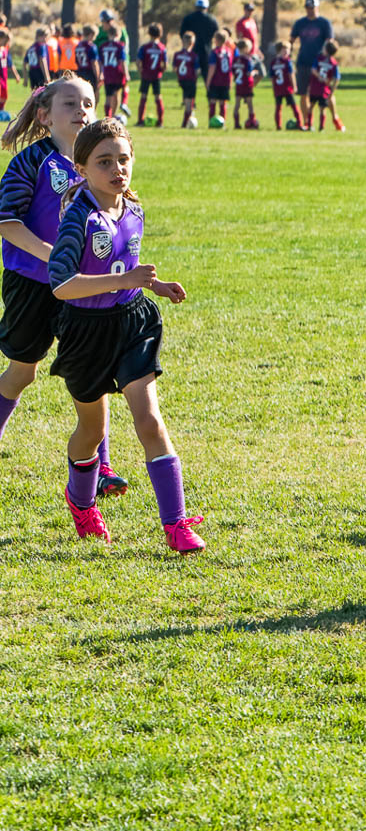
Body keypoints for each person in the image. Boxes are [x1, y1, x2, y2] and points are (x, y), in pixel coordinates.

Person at [48, 116, 202, 552]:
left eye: (123, 159)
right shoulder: (79, 217)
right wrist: (125, 279)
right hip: (85, 332)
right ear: (81, 169)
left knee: (150, 420)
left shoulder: (133, 208)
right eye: (104, 162)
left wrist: (153, 284)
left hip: (132, 322)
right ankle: (81, 502)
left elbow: (122, 268)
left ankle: (176, 524)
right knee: (91, 432)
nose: (117, 169)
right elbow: (62, 285)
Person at [0, 74, 119, 493]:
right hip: (31, 283)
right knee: (21, 373)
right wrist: (52, 255)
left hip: (80, 287)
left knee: (89, 374)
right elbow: (7, 223)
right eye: (70, 104)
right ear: (45, 115)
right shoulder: (31, 162)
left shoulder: (100, 165)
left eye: (88, 103)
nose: (82, 112)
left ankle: (100, 467)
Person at [289, 0, 333, 127]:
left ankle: (332, 118)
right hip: (303, 61)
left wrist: (327, 59)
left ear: (317, 7)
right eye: (308, 8)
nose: (310, 11)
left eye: (312, 8)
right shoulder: (300, 23)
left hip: (319, 64)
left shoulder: (324, 23)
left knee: (322, 92)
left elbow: (329, 42)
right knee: (303, 93)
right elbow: (291, 40)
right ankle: (306, 121)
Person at [307, 40, 344, 132]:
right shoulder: (333, 63)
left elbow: (313, 70)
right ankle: (321, 127)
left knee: (311, 107)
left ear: (326, 50)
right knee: (322, 109)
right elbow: (337, 78)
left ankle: (310, 125)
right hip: (324, 90)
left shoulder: (319, 59)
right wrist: (332, 90)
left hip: (315, 88)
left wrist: (320, 77)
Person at [135, 24, 168, 128]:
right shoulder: (162, 48)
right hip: (156, 76)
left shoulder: (144, 47)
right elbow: (165, 64)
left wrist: (141, 71)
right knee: (158, 97)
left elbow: (138, 61)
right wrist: (161, 71)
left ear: (149, 34)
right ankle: (160, 122)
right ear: (160, 34)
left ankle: (140, 120)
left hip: (146, 75)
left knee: (143, 96)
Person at [97, 24, 130, 119]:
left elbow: (99, 61)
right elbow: (122, 61)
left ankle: (108, 116)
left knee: (108, 96)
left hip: (107, 74)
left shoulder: (103, 46)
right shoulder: (120, 46)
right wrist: (126, 74)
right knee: (119, 92)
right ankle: (122, 105)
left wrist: (100, 73)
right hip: (117, 73)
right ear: (118, 34)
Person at [267, 41, 301, 130]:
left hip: (279, 88)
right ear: (279, 51)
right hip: (286, 88)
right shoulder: (287, 61)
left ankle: (279, 126)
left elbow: (271, 77)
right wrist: (294, 86)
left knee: (281, 107)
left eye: (288, 50)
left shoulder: (273, 62)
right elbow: (291, 74)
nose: (287, 52)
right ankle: (299, 124)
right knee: (292, 106)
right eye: (285, 50)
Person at [172, 32, 201, 129]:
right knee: (189, 103)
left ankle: (188, 119)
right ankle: (185, 123)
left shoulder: (177, 54)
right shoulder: (194, 56)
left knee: (187, 101)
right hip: (190, 80)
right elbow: (197, 70)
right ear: (192, 43)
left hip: (181, 80)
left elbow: (174, 69)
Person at [178, 0, 218, 68]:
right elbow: (216, 33)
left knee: (191, 72)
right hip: (206, 49)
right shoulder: (211, 19)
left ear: (196, 7)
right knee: (206, 72)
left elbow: (182, 33)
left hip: (192, 49)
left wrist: (187, 42)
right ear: (207, 7)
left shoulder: (188, 18)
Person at [230, 36, 260, 129]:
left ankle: (236, 124)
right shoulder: (247, 60)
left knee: (237, 105)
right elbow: (248, 73)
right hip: (247, 84)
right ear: (246, 48)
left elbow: (233, 71)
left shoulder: (235, 59)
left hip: (239, 84)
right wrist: (255, 72)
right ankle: (251, 122)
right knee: (250, 105)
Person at [205, 32, 234, 126]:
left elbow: (212, 68)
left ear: (217, 40)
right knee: (223, 103)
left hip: (216, 81)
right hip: (225, 81)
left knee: (213, 101)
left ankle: (211, 122)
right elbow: (230, 68)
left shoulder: (215, 52)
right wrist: (230, 81)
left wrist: (208, 81)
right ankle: (223, 123)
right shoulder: (229, 52)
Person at [72, 25, 100, 97]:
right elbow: (94, 63)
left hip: (80, 72)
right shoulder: (91, 46)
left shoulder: (78, 46)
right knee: (93, 94)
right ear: (91, 35)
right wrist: (97, 77)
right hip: (89, 73)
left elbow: (76, 61)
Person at [0, 28, 12, 116]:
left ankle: (2, 110)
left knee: (4, 94)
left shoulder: (4, 49)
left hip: (4, 75)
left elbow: (7, 63)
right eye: (5, 40)